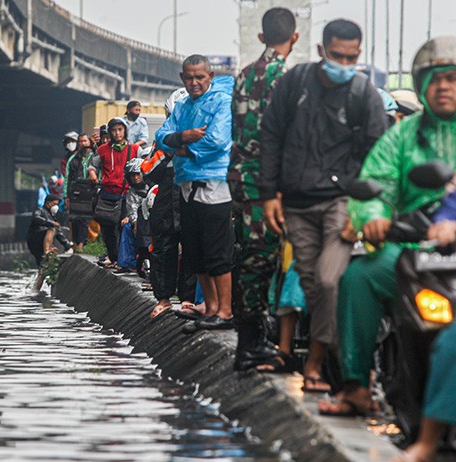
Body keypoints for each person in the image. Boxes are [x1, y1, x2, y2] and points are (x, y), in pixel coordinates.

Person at [319, 37, 456, 462]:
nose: (444, 87)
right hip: (412, 247)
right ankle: (357, 386)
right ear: (421, 86)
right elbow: (373, 184)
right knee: (359, 276)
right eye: (435, 80)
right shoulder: (401, 136)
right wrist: (374, 217)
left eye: (453, 78)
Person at [258, 19, 388, 392]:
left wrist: (362, 209)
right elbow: (271, 136)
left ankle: (314, 364)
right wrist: (269, 193)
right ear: (321, 52)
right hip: (296, 203)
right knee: (313, 285)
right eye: (336, 56)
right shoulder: (295, 82)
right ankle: (339, 360)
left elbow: (377, 157)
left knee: (330, 281)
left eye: (352, 57)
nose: (344, 64)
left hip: (342, 203)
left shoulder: (365, 94)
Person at [229, 6, 299, 371]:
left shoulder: (242, 76)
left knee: (250, 254)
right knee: (260, 260)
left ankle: (253, 341)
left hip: (240, 176)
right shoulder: (287, 78)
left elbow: (237, 130)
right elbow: (285, 136)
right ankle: (251, 346)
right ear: (295, 38)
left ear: (261, 37)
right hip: (267, 183)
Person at [155, 55, 235, 330]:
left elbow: (217, 140)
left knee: (217, 251)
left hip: (213, 185)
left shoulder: (222, 102)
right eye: (189, 78)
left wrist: (179, 147)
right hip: (186, 184)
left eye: (200, 77)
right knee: (195, 251)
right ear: (182, 78)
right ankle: (210, 307)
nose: (194, 82)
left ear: (210, 76)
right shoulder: (182, 107)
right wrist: (183, 136)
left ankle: (224, 310)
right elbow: (161, 136)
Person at [145, 88, 198, 318]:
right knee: (163, 251)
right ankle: (164, 298)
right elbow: (148, 173)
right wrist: (167, 150)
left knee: (192, 251)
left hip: (192, 202)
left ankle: (187, 299)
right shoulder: (161, 144)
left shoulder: (201, 139)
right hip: (166, 206)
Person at [88, 118, 140, 267]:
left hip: (127, 194)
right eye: (114, 130)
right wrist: (91, 172)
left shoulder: (135, 149)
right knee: (107, 229)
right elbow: (92, 165)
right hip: (107, 195)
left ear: (125, 131)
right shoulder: (102, 149)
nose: (117, 133)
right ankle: (114, 258)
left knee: (124, 228)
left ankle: (125, 261)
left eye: (120, 129)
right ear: (110, 132)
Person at [28, 194, 72, 291]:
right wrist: (51, 223)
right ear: (48, 203)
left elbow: (59, 233)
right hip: (35, 239)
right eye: (54, 204)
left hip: (42, 242)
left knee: (42, 268)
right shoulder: (40, 210)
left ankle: (36, 289)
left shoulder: (53, 217)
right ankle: (47, 250)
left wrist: (67, 245)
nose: (56, 207)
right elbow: (36, 218)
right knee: (51, 229)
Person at [65, 134, 95, 251]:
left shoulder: (95, 157)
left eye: (85, 141)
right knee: (75, 219)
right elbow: (67, 178)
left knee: (86, 220)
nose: (83, 143)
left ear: (89, 142)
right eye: (80, 141)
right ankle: (77, 243)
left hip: (90, 193)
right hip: (75, 194)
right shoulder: (73, 159)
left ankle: (83, 244)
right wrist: (66, 196)